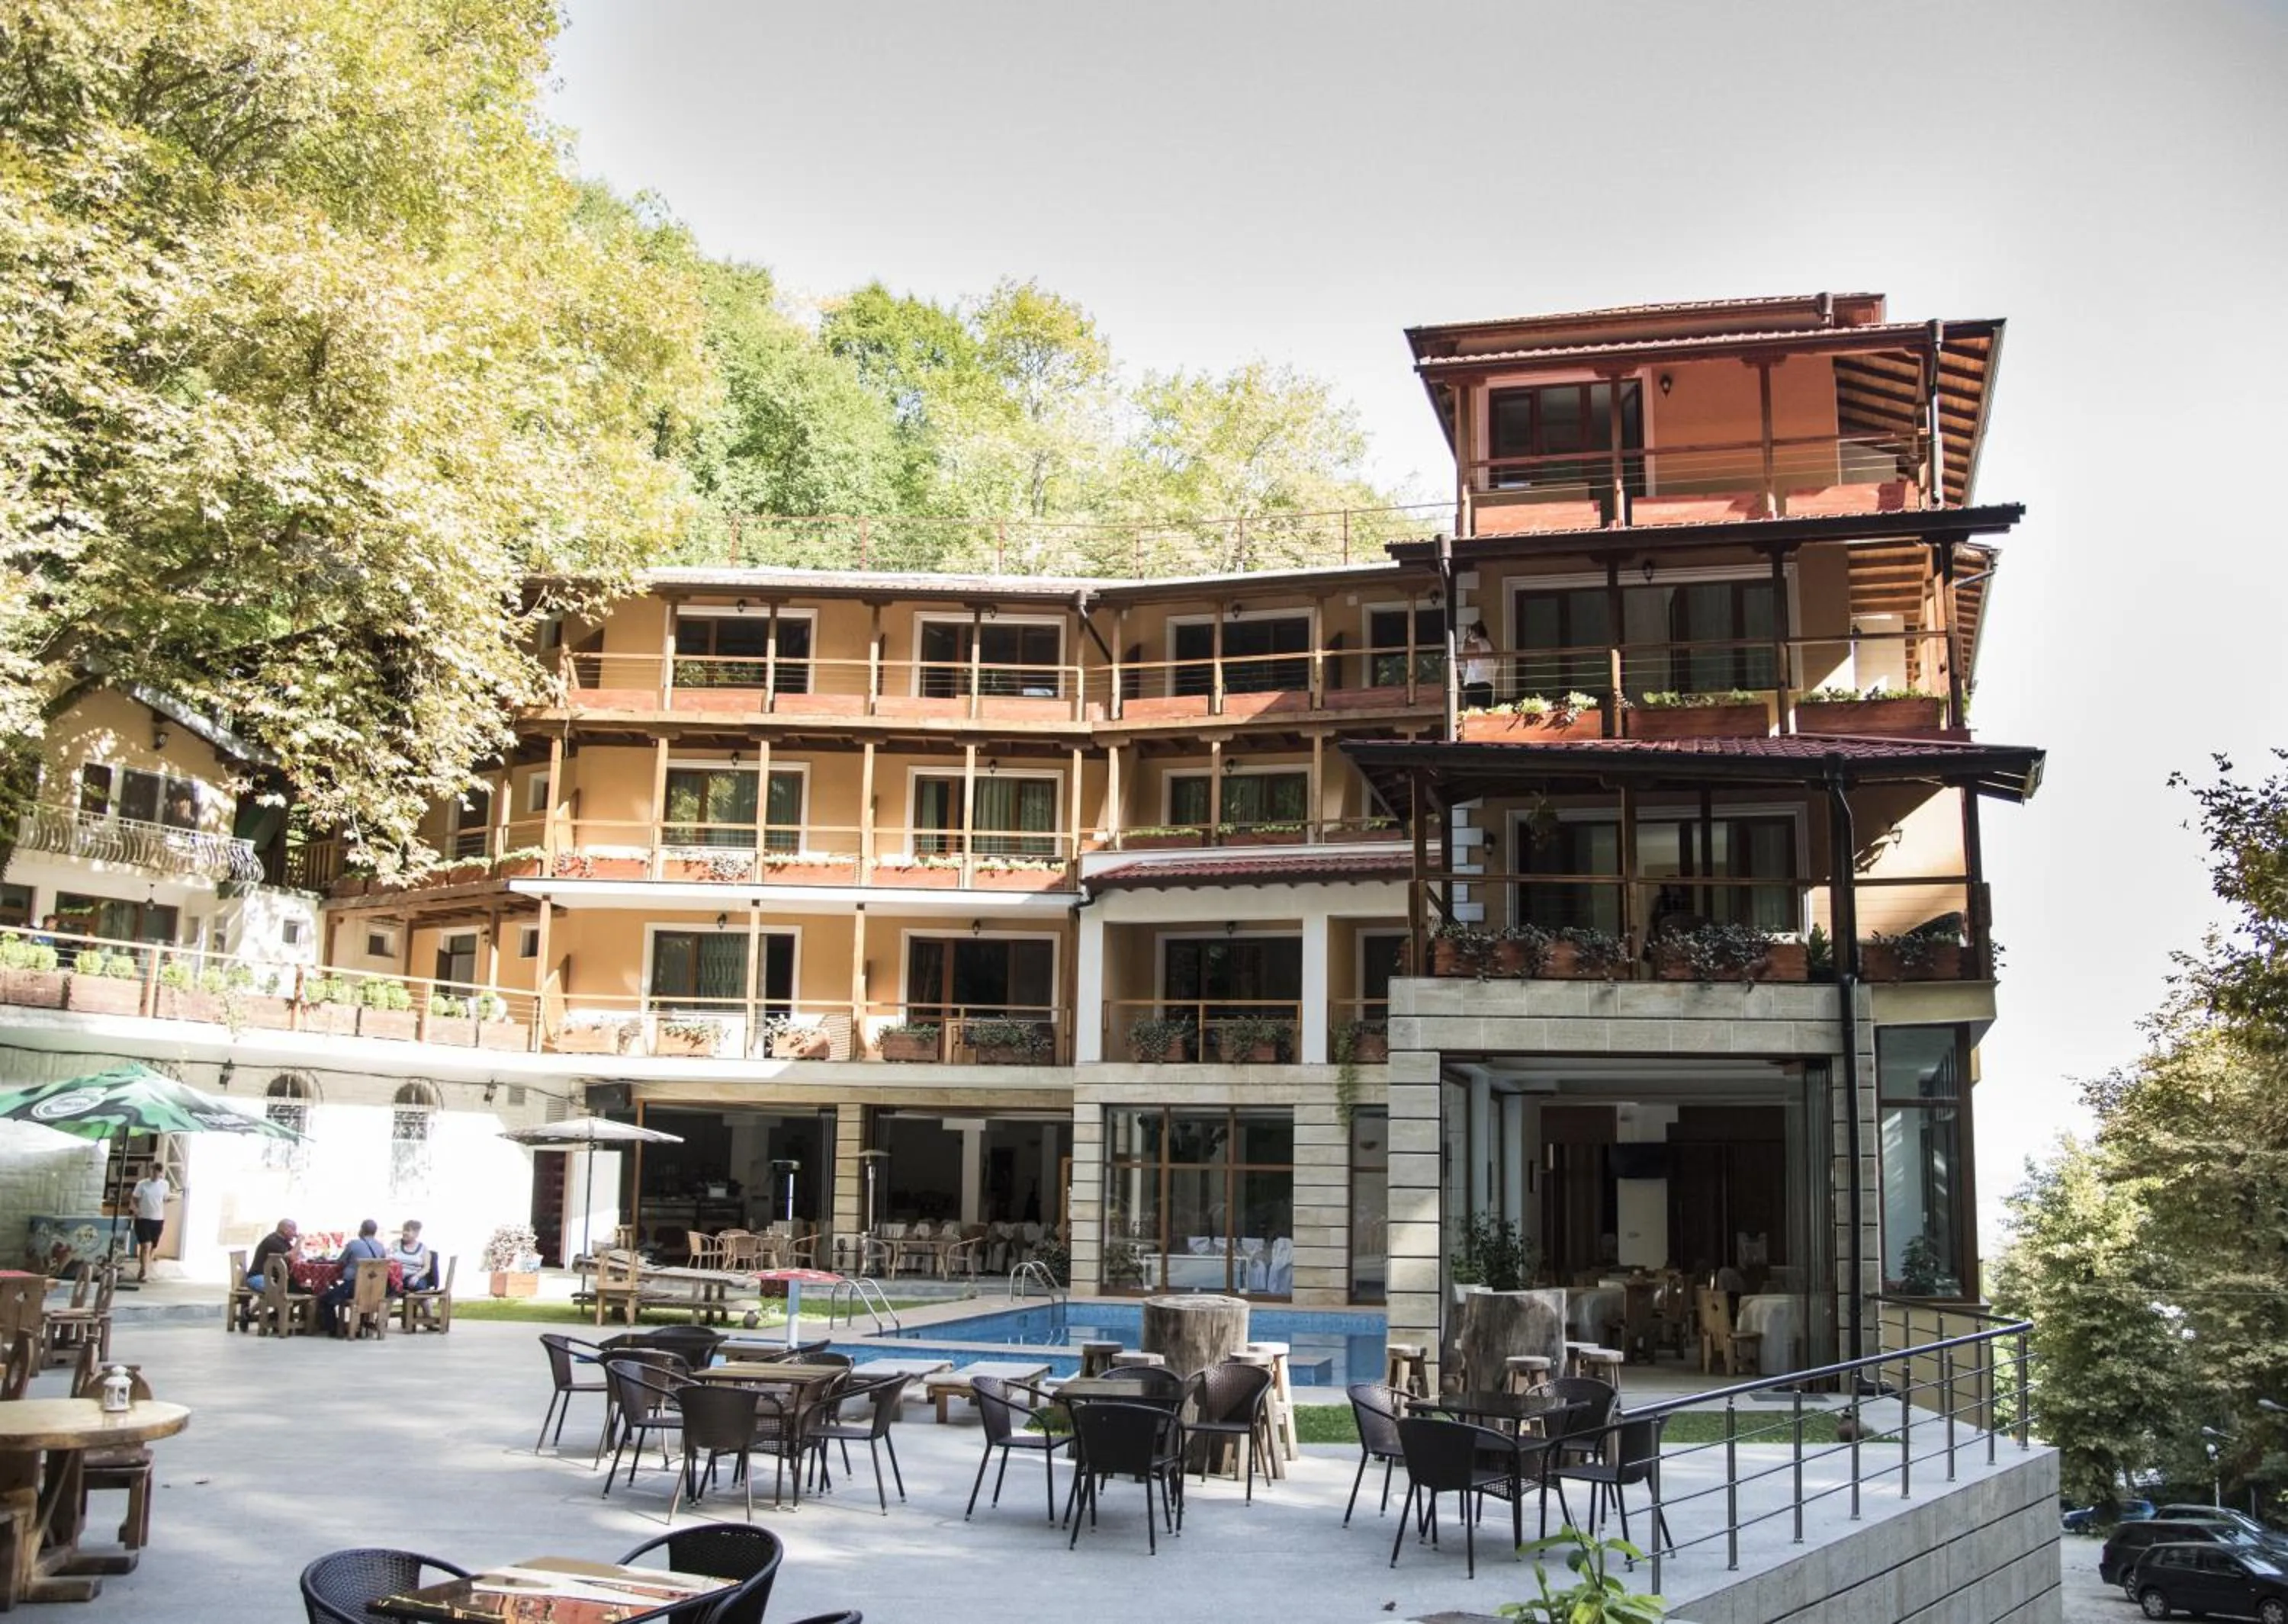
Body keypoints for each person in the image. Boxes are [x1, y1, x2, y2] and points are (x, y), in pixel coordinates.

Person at [318, 1219, 389, 1336]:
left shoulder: (353, 1244)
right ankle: (362, 1324)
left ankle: (334, 1329)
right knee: (338, 1292)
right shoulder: (380, 1247)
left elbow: (341, 1262)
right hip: (374, 1289)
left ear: (361, 1230)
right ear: (375, 1232)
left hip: (353, 1288)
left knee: (325, 1299)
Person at [240, 1218, 302, 1330]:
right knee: (276, 1292)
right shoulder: (272, 1241)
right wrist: (299, 1241)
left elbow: (296, 1255)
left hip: (274, 1278)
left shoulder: (284, 1241)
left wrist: (298, 1247)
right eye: (294, 1230)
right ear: (286, 1229)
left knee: (300, 1290)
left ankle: (275, 1316)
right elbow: (291, 1256)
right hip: (258, 1277)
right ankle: (249, 1313)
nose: (295, 1233)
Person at [128, 1168, 172, 1282]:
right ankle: (144, 1272)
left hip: (158, 1219)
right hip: (143, 1218)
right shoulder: (142, 1184)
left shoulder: (165, 1185)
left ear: (161, 1173)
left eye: (158, 1172)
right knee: (145, 1245)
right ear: (151, 1172)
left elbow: (166, 1199)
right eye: (154, 1172)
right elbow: (134, 1199)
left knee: (153, 1246)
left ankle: (145, 1268)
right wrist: (135, 1210)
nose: (156, 1174)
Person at [389, 1220, 436, 1293]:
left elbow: (427, 1267)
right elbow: (388, 1258)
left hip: (413, 1277)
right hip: (396, 1278)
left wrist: (416, 1277)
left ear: (416, 1234)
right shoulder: (395, 1244)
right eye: (404, 1230)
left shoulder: (423, 1248)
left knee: (419, 1287)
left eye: (408, 1231)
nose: (404, 1233)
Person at [1461, 621, 1496, 711]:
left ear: (1474, 632)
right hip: (1488, 682)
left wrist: (1465, 642)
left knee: (1474, 712)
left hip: (1476, 682)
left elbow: (1464, 654)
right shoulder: (1489, 644)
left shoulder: (1477, 644)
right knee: (1484, 710)